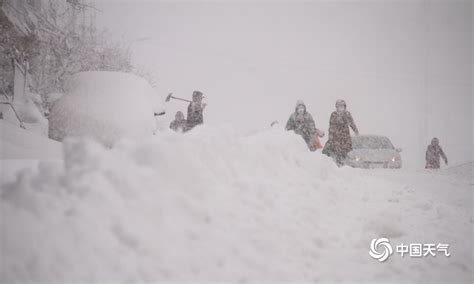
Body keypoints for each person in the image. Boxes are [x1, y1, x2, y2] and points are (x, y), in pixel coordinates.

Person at [323, 99, 359, 166]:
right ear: (336, 107)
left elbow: (352, 123)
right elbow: (331, 126)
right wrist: (331, 137)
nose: (340, 108)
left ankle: (348, 164)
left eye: (342, 106)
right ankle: (336, 164)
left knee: (347, 150)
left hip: (345, 136)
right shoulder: (333, 114)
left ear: (345, 107)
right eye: (339, 106)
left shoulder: (347, 114)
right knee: (333, 150)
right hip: (336, 137)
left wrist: (355, 130)